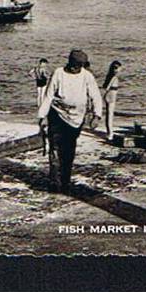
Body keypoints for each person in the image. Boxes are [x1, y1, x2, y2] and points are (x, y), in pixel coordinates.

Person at [38, 50, 103, 194]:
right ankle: (54, 182)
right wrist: (42, 116)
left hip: (76, 119)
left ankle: (66, 181)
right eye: (73, 65)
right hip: (57, 114)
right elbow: (48, 96)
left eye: (79, 66)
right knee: (54, 149)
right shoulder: (58, 73)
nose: (75, 68)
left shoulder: (87, 76)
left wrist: (97, 116)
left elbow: (96, 96)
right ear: (69, 63)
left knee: (68, 151)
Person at [103, 60, 122, 140]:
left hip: (111, 95)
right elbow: (107, 87)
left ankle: (109, 132)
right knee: (110, 115)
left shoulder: (112, 76)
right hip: (111, 96)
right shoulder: (114, 77)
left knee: (109, 114)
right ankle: (110, 133)